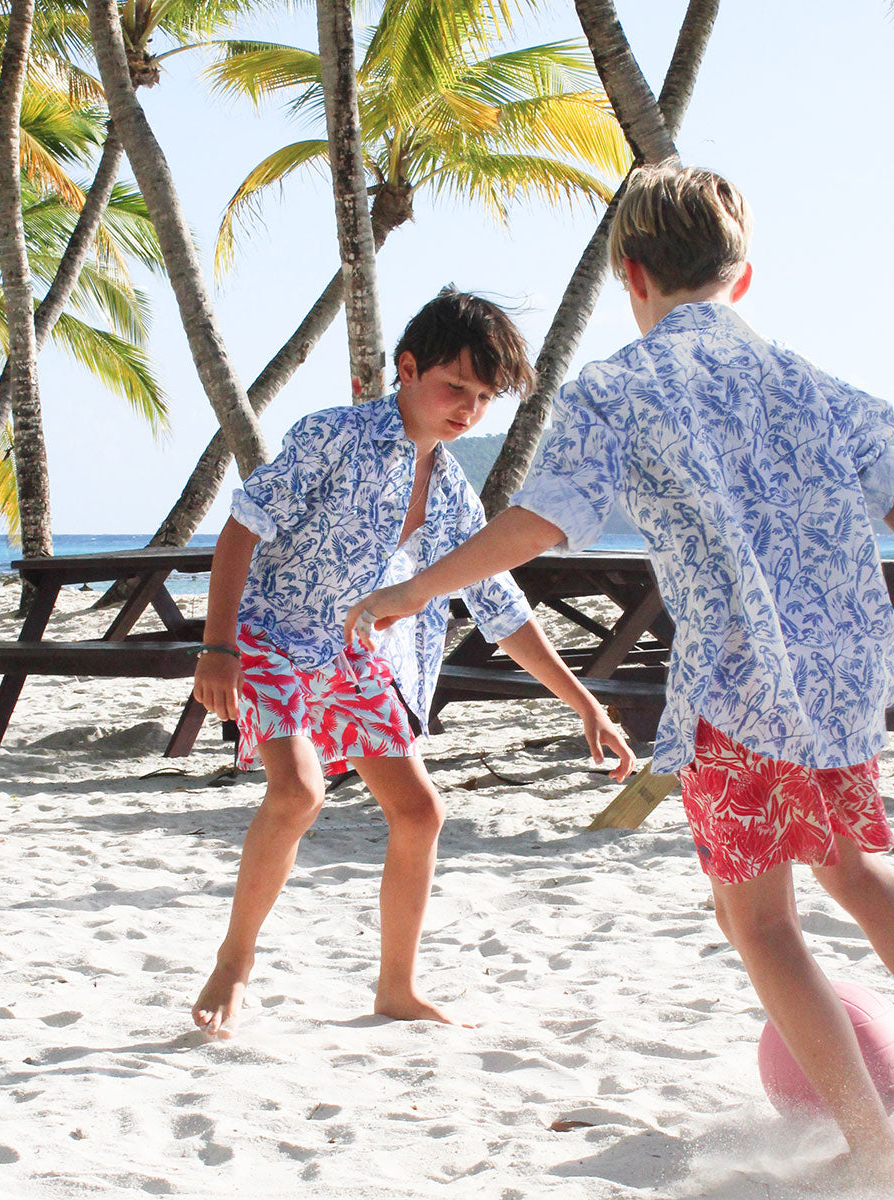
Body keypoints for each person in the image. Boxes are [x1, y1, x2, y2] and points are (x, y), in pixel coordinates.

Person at [342, 169, 894, 1194]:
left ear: (630, 273)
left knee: (761, 922)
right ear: (740, 280)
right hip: (837, 686)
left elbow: (540, 523)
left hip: (740, 692)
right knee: (853, 869)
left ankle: (881, 1164)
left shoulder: (621, 385)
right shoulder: (804, 380)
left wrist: (410, 591)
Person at [190, 287, 634, 1039]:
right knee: (298, 793)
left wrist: (583, 703)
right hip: (269, 637)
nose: (467, 407)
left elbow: (499, 604)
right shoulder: (333, 435)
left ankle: (396, 988)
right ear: (407, 367)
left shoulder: (453, 489)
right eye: (454, 386)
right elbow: (241, 528)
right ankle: (235, 961)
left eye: (484, 396)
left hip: (351, 654)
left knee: (421, 812)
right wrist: (219, 646)